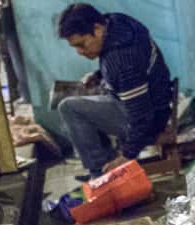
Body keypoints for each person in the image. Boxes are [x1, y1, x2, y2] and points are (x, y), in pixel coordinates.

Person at [56, 3, 173, 180]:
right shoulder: (117, 22)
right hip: (156, 104)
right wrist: (99, 74)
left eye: (81, 44)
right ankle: (102, 163)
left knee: (69, 108)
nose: (80, 52)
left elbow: (141, 116)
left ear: (97, 29)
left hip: (151, 120)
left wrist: (127, 156)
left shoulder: (121, 61)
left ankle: (100, 175)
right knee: (78, 103)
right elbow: (134, 69)